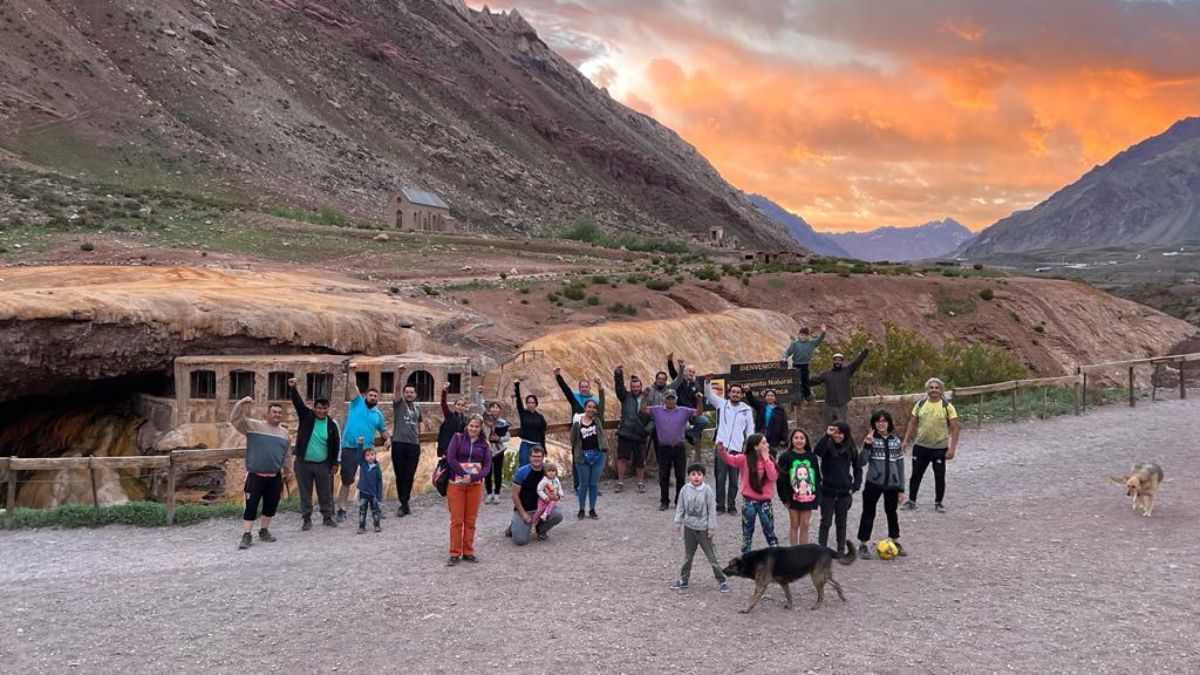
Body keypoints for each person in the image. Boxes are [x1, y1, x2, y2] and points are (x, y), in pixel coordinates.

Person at [231, 396, 291, 549]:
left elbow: (286, 454)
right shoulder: (253, 426)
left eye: (280, 413)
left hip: (275, 476)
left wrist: (288, 470)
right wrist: (240, 403)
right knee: (251, 506)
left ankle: (264, 530)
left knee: (271, 505)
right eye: (274, 412)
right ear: (267, 414)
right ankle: (246, 535)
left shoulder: (284, 433)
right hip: (255, 475)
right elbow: (236, 420)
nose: (277, 414)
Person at [336, 363, 389, 523]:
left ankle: (376, 507)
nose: (372, 397)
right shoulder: (357, 402)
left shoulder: (378, 415)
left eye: (375, 396)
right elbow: (352, 385)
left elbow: (383, 430)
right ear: (365, 395)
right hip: (350, 448)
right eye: (370, 395)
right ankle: (342, 509)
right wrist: (352, 371)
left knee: (372, 479)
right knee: (347, 480)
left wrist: (388, 438)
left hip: (368, 452)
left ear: (377, 398)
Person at [288, 378, 341, 530]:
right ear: (314, 408)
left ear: (328, 409)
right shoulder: (307, 416)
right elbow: (298, 403)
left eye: (324, 408)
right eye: (319, 408)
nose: (321, 411)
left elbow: (335, 445)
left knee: (325, 492)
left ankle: (327, 516)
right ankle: (306, 519)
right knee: (305, 492)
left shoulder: (331, 425)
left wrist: (334, 463)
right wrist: (293, 389)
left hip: (322, 464)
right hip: (303, 463)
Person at [902, 377, 961, 513]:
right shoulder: (920, 404)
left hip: (939, 448)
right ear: (927, 390)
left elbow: (954, 428)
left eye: (936, 387)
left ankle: (938, 503)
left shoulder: (947, 406)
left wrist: (952, 449)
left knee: (939, 476)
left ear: (941, 390)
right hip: (921, 446)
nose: (934, 390)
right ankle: (911, 501)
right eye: (931, 387)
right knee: (915, 475)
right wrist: (905, 440)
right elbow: (912, 422)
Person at [642, 389, 706, 510]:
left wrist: (699, 400)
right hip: (664, 448)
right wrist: (645, 396)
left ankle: (679, 502)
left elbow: (698, 413)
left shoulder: (683, 411)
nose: (670, 401)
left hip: (679, 448)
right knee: (664, 476)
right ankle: (664, 501)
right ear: (664, 399)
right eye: (668, 398)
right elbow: (644, 409)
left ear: (676, 399)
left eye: (672, 398)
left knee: (680, 476)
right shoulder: (657, 410)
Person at [672, 463, 730, 593]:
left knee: (711, 557)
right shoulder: (685, 489)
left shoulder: (707, 490)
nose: (696, 477)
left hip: (703, 530)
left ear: (703, 476)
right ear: (688, 476)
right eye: (693, 474)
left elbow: (712, 510)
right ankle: (684, 580)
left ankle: (722, 580)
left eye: (699, 474)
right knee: (688, 557)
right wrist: (678, 522)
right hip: (689, 528)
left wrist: (711, 527)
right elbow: (680, 507)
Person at [857, 410, 906, 559]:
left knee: (892, 513)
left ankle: (895, 541)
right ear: (874, 424)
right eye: (878, 421)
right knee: (868, 513)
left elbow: (900, 465)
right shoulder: (870, 440)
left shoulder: (896, 441)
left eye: (884, 421)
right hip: (873, 483)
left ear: (889, 423)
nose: (881, 424)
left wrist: (901, 488)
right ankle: (863, 544)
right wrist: (867, 445)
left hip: (892, 484)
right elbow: (861, 462)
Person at [717, 434, 779, 553]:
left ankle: (776, 555)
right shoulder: (744, 459)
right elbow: (730, 459)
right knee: (747, 532)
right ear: (755, 447)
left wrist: (766, 459)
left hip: (765, 502)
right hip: (749, 501)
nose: (767, 445)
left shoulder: (769, 460)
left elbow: (773, 477)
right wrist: (722, 450)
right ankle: (746, 556)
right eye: (763, 443)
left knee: (769, 530)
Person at [704, 377, 756, 514]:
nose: (735, 394)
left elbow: (750, 430)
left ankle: (731, 505)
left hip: (737, 449)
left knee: (734, 479)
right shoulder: (722, 404)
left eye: (738, 392)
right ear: (729, 393)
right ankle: (720, 505)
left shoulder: (746, 410)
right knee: (720, 478)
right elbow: (709, 394)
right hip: (722, 448)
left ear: (741, 395)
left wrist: (749, 447)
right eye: (733, 392)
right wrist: (707, 382)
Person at [445, 414, 492, 566]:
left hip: (475, 485)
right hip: (456, 483)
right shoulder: (457, 438)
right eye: (471, 425)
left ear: (481, 428)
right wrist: (464, 474)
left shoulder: (484, 444)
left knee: (470, 520)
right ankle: (454, 553)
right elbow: (451, 458)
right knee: (457, 520)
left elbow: (487, 466)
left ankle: (468, 551)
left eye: (476, 426)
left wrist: (472, 478)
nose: (473, 428)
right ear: (467, 426)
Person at [813, 422, 862, 555]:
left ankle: (841, 549)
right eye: (835, 433)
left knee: (841, 522)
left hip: (844, 492)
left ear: (845, 434)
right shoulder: (827, 445)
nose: (837, 436)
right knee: (826, 522)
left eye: (840, 433)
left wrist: (856, 485)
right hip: (827, 490)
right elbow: (817, 452)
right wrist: (826, 435)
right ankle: (821, 550)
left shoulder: (851, 447)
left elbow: (858, 467)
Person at [508, 445, 565, 545]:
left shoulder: (547, 471)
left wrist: (556, 496)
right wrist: (524, 515)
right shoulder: (522, 472)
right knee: (520, 541)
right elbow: (515, 495)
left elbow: (555, 487)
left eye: (539, 456)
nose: (536, 459)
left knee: (558, 515)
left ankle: (540, 529)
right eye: (534, 456)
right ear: (529, 457)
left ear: (543, 457)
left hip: (542, 507)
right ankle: (514, 525)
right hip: (525, 509)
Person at [811, 343, 872, 428]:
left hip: (843, 405)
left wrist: (866, 350)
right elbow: (814, 381)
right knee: (829, 428)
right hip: (829, 405)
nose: (837, 362)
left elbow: (857, 362)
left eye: (839, 360)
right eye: (836, 360)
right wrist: (802, 381)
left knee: (843, 428)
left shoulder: (847, 371)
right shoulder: (826, 374)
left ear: (842, 362)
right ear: (833, 361)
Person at [776, 429, 820, 546]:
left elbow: (817, 477)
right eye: (796, 438)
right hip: (792, 497)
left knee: (805, 525)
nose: (799, 440)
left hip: (808, 496)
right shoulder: (785, 457)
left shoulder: (812, 457)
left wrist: (817, 496)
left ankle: (803, 551)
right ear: (791, 440)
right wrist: (784, 498)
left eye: (802, 438)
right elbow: (780, 480)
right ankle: (794, 551)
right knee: (794, 524)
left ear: (806, 440)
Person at [391, 367, 423, 517]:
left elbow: (419, 424)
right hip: (399, 443)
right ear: (404, 394)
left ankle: (404, 503)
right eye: (407, 392)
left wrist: (419, 438)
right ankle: (403, 504)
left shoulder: (418, 407)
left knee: (410, 475)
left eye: (412, 392)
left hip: (413, 445)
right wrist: (399, 374)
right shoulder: (399, 404)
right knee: (400, 474)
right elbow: (397, 389)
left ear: (415, 394)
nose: (409, 394)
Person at [613, 366, 650, 493]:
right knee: (622, 458)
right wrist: (618, 374)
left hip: (640, 433)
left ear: (641, 386)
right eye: (633, 387)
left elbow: (652, 417)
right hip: (626, 432)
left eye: (637, 386)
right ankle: (620, 482)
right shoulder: (625, 396)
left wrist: (647, 430)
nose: (635, 388)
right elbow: (619, 388)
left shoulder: (647, 398)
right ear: (630, 387)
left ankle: (640, 483)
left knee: (640, 460)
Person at [571, 395, 607, 519]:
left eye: (593, 407)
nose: (591, 409)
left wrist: (601, 389)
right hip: (582, 457)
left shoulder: (598, 421)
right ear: (585, 408)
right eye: (589, 407)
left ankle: (592, 509)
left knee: (593, 484)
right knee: (583, 484)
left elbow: (602, 407)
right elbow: (573, 440)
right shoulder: (577, 423)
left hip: (598, 455)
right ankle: (581, 509)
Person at [474, 392, 511, 504]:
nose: (495, 409)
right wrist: (479, 394)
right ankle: (489, 493)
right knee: (487, 472)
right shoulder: (485, 419)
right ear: (490, 409)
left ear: (499, 410)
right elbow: (479, 405)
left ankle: (497, 494)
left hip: (499, 450)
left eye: (497, 407)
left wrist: (499, 438)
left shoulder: (503, 423)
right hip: (487, 449)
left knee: (498, 472)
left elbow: (507, 436)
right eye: (493, 407)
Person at [666, 353, 709, 447]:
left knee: (704, 420)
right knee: (685, 427)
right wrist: (670, 361)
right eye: (689, 371)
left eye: (693, 372)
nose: (691, 373)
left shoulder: (696, 385)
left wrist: (699, 397)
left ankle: (690, 434)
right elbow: (672, 372)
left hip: (691, 413)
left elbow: (698, 400)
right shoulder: (679, 382)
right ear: (685, 372)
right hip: (680, 412)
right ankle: (684, 437)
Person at [783, 323, 827, 401]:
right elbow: (788, 352)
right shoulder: (795, 344)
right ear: (799, 335)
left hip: (805, 365)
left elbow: (819, 340)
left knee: (805, 381)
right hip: (796, 365)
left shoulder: (811, 343)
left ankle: (807, 396)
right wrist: (785, 357)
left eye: (806, 335)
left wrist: (823, 332)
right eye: (802, 335)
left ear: (808, 336)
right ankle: (798, 397)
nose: (803, 337)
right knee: (797, 381)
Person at [513, 378, 547, 468]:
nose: (531, 404)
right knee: (523, 466)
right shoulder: (523, 413)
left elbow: (542, 434)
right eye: (529, 402)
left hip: (537, 445)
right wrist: (517, 386)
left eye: (533, 402)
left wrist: (544, 448)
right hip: (525, 444)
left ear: (536, 404)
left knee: (536, 467)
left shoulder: (540, 417)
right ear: (526, 404)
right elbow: (518, 401)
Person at [357, 441, 384, 533]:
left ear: (375, 455)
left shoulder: (377, 469)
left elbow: (379, 483)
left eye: (372, 454)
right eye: (367, 455)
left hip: (373, 494)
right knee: (362, 511)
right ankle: (361, 527)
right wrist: (360, 444)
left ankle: (377, 525)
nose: (370, 457)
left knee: (375, 511)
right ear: (364, 457)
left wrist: (379, 497)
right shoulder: (363, 465)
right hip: (363, 493)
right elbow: (359, 455)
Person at [436, 383, 468, 458]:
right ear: (455, 405)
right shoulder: (449, 416)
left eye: (462, 405)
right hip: (448, 447)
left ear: (465, 407)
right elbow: (443, 404)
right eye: (458, 404)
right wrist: (444, 391)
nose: (460, 407)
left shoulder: (466, 420)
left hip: (460, 449)